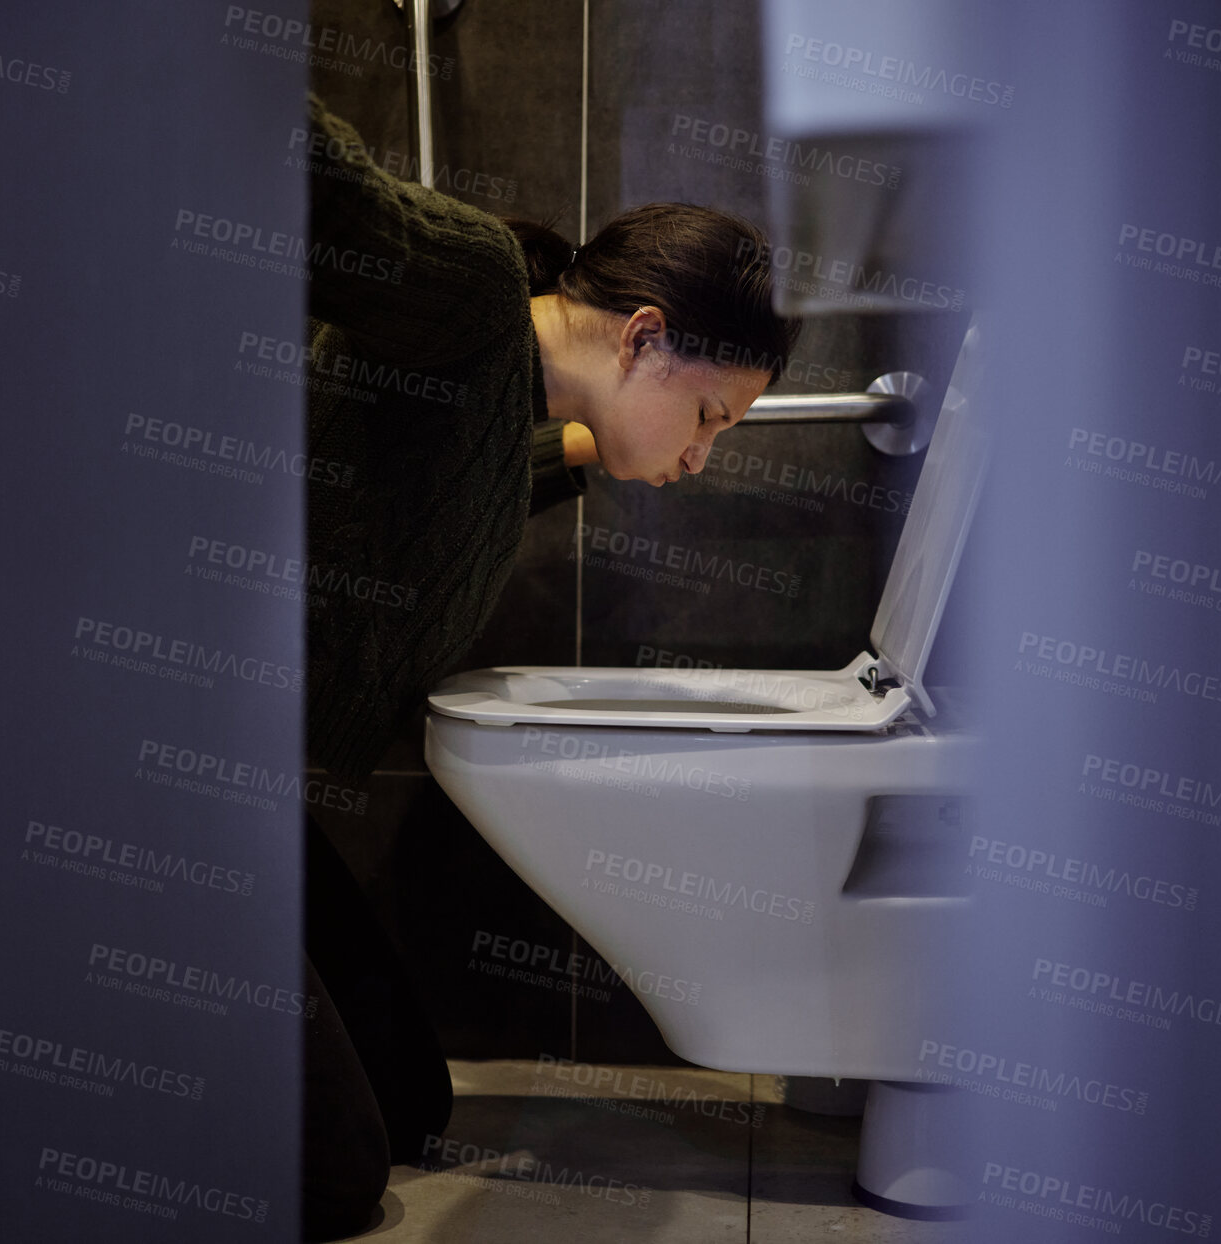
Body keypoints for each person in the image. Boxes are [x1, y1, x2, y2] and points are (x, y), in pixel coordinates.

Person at [297, 93, 800, 1241]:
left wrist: (603, 447)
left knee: (416, 1107)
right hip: (182, 764)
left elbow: (467, 476)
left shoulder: (490, 400)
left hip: (271, 794)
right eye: (709, 416)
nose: (703, 453)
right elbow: (315, 182)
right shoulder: (474, 294)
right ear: (641, 336)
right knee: (331, 1181)